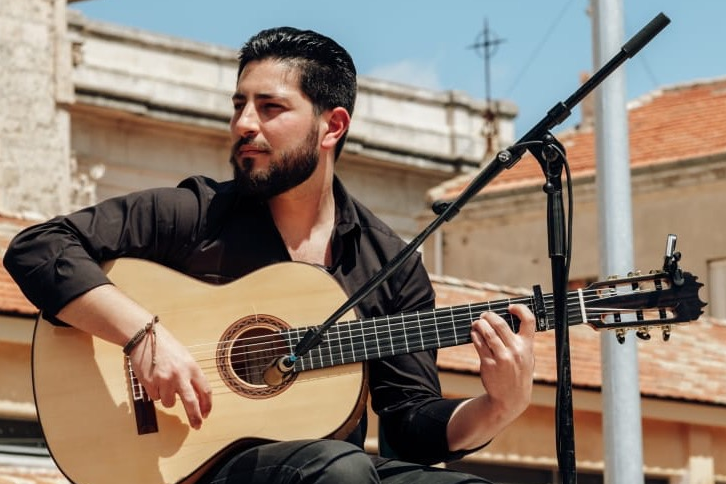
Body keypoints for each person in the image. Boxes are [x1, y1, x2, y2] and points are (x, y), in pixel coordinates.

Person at [4, 27, 536, 483]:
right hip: (199, 466)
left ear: (332, 126)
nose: (243, 125)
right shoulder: (197, 213)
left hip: (320, 468)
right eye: (239, 105)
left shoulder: (390, 265)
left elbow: (408, 425)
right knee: (342, 470)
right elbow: (39, 247)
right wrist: (144, 334)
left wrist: (496, 408)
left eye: (270, 107)